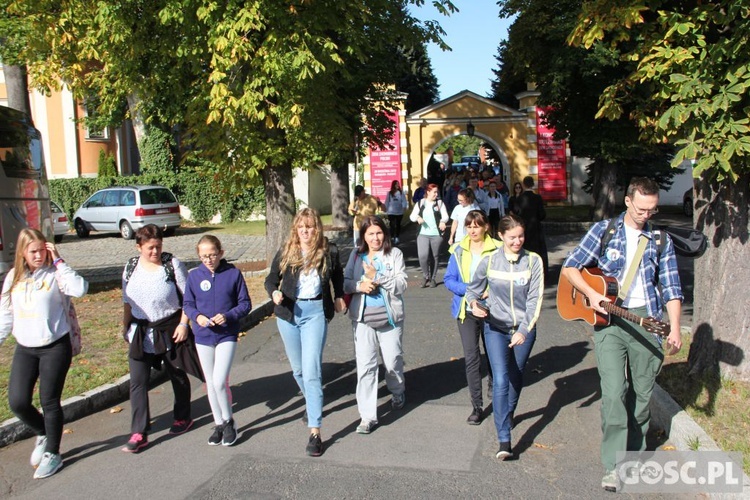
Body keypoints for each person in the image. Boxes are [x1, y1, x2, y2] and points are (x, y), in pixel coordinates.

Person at [561, 177, 683, 493]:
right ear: (628, 201)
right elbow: (571, 267)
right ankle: (614, 466)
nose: (647, 215)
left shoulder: (660, 240)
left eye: (652, 209)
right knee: (614, 392)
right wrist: (591, 292)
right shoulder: (604, 232)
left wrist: (676, 329)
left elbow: (671, 287)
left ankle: (632, 453)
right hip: (609, 322)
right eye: (642, 208)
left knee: (641, 397)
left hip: (648, 320)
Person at [0, 229, 88, 479]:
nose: (39, 255)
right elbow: (5, 316)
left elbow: (80, 289)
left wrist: (58, 260)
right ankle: (43, 431)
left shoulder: (56, 274)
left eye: (42, 249)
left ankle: (53, 453)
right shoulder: (13, 279)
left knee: (49, 400)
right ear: (23, 253)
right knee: (17, 402)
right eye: (33, 251)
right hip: (26, 347)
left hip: (54, 346)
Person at [264, 208, 346, 457]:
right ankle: (313, 400)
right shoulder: (287, 250)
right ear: (296, 229)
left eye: (310, 226)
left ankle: (315, 431)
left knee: (312, 372)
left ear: (317, 228)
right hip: (288, 313)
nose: (306, 231)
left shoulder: (329, 251)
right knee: (298, 370)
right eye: (302, 227)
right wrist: (274, 293)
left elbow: (338, 276)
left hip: (315, 313)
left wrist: (340, 296)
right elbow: (270, 279)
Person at [465, 214, 544, 461]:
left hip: (523, 329)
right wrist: (474, 305)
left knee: (515, 375)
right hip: (495, 328)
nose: (517, 241)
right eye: (512, 237)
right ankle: (504, 440)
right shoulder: (489, 261)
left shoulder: (533, 261)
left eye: (520, 236)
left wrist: (523, 330)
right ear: (500, 236)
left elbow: (535, 299)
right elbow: (472, 291)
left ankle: (508, 411)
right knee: (499, 379)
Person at [121, 224, 196, 453]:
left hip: (170, 327)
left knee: (177, 373)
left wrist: (184, 324)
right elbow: (126, 301)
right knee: (138, 381)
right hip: (140, 330)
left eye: (158, 246)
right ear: (139, 247)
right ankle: (139, 432)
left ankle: (183, 417)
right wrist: (124, 326)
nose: (155, 251)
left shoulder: (171, 265)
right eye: (150, 247)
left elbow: (188, 299)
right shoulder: (130, 267)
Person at [183, 235, 252, 446]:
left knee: (219, 380)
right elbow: (187, 304)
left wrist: (228, 315)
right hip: (203, 336)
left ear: (221, 252)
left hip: (226, 334)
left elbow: (245, 304)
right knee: (210, 383)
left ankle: (229, 421)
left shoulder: (233, 274)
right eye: (204, 256)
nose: (209, 259)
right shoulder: (194, 276)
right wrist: (197, 317)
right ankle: (219, 423)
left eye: (212, 254)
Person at [344, 216, 408, 434]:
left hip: (390, 319)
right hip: (363, 320)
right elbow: (346, 283)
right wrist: (360, 285)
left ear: (385, 233)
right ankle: (367, 416)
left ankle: (397, 389)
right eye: (370, 234)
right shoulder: (355, 255)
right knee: (366, 367)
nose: (375, 238)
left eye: (378, 233)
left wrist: (377, 276)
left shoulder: (394, 254)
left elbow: (401, 284)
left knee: (392, 362)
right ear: (363, 236)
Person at [444, 211, 499, 425]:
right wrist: (470, 290)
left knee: (494, 354)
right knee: (472, 357)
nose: (473, 230)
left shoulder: (497, 248)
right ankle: (476, 406)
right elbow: (449, 280)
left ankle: (495, 389)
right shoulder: (458, 250)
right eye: (469, 226)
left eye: (477, 225)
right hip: (466, 310)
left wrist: (488, 291)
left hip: (493, 309)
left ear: (486, 226)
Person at [409, 183, 449, 288]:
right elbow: (412, 216)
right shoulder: (421, 203)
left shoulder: (440, 203)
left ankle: (433, 278)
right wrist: (417, 218)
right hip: (423, 234)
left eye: (437, 192)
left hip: (436, 234)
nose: (436, 194)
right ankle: (425, 276)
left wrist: (442, 221)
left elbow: (445, 216)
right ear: (428, 192)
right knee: (423, 256)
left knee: (435, 257)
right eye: (434, 192)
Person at [514, 176, 549, 278]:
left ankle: (523, 270)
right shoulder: (537, 198)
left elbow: (516, 213)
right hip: (536, 228)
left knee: (523, 250)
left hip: (523, 229)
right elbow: (542, 214)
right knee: (538, 251)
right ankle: (539, 271)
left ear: (524, 185)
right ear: (533, 184)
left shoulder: (520, 198)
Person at [385, 180, 409, 245]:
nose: (397, 185)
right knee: (392, 225)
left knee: (398, 225)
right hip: (391, 212)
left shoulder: (401, 193)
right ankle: (392, 237)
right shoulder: (389, 193)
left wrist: (404, 207)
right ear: (393, 185)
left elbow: (404, 201)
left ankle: (397, 237)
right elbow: (387, 201)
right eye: (396, 184)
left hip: (399, 212)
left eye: (398, 184)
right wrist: (385, 209)